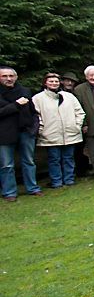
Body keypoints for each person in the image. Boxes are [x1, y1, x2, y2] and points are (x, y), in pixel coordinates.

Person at [32, 72, 86, 188]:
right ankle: (56, 182)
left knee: (68, 158)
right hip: (50, 134)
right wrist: (41, 130)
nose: (54, 83)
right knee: (54, 159)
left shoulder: (69, 96)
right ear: (45, 83)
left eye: (56, 81)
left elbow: (80, 112)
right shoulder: (38, 98)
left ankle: (69, 180)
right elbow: (36, 116)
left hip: (70, 133)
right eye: (51, 81)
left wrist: (76, 126)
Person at [0, 67, 41, 201]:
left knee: (29, 161)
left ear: (16, 77)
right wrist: (16, 105)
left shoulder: (24, 91)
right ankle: (9, 192)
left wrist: (34, 128)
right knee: (7, 165)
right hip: (5, 134)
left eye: (11, 76)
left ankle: (33, 188)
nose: (8, 79)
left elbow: (33, 112)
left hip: (26, 132)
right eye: (4, 76)